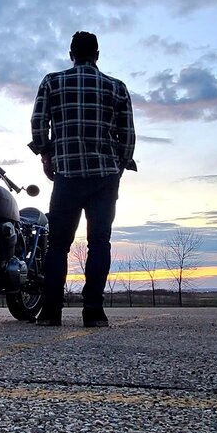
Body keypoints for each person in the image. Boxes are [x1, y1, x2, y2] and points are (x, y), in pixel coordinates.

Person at [29, 31, 136, 328]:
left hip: (67, 176)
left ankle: (50, 312)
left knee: (58, 246)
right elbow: (127, 136)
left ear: (71, 54)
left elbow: (39, 124)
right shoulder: (117, 87)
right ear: (97, 55)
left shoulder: (53, 81)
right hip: (104, 177)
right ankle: (94, 312)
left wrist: (47, 156)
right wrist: (118, 167)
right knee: (99, 243)